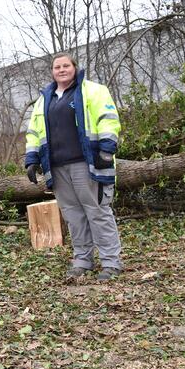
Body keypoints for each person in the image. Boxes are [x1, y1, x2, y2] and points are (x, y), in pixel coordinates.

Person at [25, 53, 123, 281]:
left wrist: (106, 149)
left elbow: (108, 118)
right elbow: (33, 132)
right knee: (73, 216)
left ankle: (111, 262)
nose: (61, 69)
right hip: (58, 166)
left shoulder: (94, 90)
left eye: (66, 65)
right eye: (57, 66)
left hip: (87, 163)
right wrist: (31, 158)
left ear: (75, 68)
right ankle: (82, 261)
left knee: (97, 211)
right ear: (52, 71)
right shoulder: (44, 100)